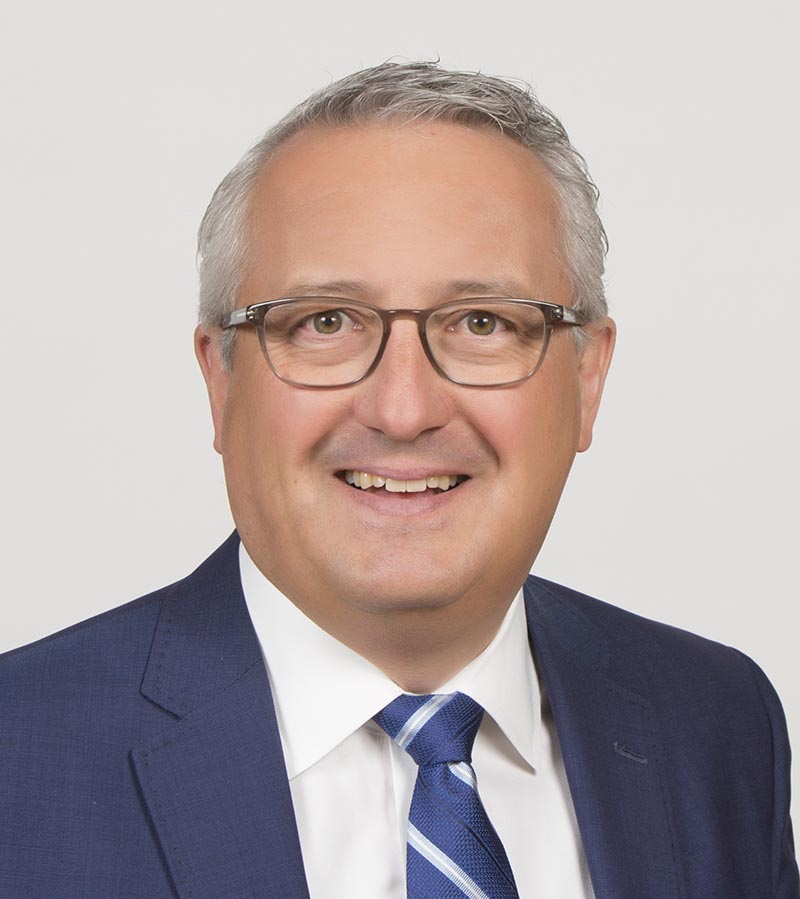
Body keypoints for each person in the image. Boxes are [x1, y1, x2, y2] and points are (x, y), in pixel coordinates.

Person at [0, 61, 797, 899]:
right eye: (326, 322)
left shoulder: (715, 723)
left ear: (588, 379)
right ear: (222, 381)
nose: (404, 407)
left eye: (483, 322)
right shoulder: (21, 755)